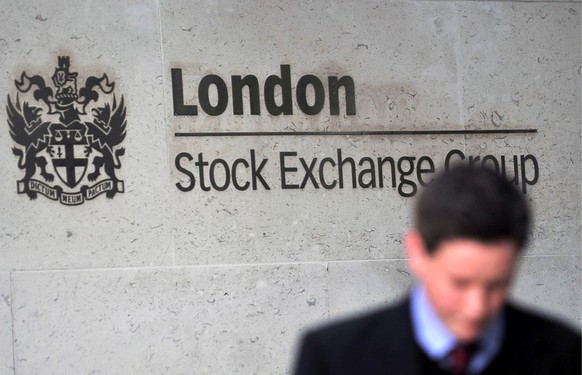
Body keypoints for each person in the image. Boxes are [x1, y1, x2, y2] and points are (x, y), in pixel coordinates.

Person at [293, 165, 581, 375]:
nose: (476, 308)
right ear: (416, 252)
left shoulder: (563, 352)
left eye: (496, 284)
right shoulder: (334, 358)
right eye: (459, 283)